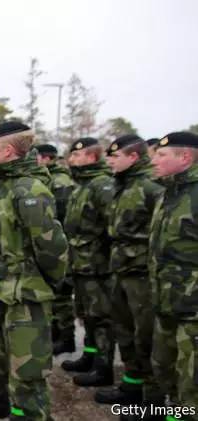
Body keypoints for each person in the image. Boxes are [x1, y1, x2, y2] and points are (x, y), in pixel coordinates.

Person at [0, 121, 68, 420]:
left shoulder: (29, 189)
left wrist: (44, 285)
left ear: (9, 151)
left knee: (28, 372)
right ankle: (15, 411)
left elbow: (52, 247)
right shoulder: (3, 185)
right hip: (2, 290)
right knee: (5, 362)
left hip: (26, 296)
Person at [95, 135, 163, 406]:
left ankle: (152, 399)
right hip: (120, 269)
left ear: (133, 157)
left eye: (115, 156)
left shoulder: (151, 187)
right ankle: (131, 385)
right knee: (124, 332)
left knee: (145, 337)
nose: (109, 161)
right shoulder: (120, 185)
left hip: (142, 275)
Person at [60, 138, 116, 384]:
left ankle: (103, 368)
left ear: (92, 157)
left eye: (77, 155)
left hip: (97, 266)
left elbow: (110, 227)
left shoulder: (102, 185)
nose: (72, 159)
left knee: (101, 318)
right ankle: (90, 357)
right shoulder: (82, 184)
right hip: (81, 264)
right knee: (87, 316)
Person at [150, 132, 198, 417]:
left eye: (161, 155)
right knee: (165, 368)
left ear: (185, 158)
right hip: (167, 301)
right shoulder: (168, 191)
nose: (153, 160)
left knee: (192, 380)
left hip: (193, 309)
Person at [35, 144, 79, 355]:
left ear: (45, 158)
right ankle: (57, 334)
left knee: (62, 297)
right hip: (61, 243)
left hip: (64, 245)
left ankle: (66, 337)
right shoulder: (49, 179)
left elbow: (60, 218)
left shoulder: (60, 182)